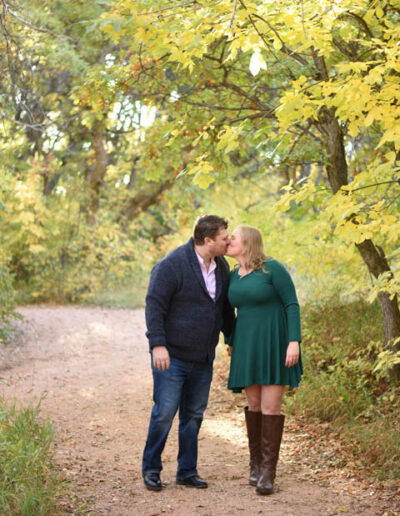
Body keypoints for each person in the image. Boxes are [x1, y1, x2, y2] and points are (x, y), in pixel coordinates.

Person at [142, 215, 235, 491]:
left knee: (193, 416)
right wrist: (157, 344)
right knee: (165, 412)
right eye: (223, 238)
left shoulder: (221, 267)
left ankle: (186, 471)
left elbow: (224, 310)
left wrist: (231, 337)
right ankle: (151, 469)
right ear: (207, 241)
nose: (228, 242)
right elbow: (154, 305)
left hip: (203, 357)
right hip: (172, 356)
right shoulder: (172, 265)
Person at [225, 225, 302, 495]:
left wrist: (294, 341)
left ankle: (268, 472)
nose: (228, 241)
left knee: (270, 407)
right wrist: (231, 341)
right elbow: (234, 312)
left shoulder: (272, 269)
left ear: (248, 242)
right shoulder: (233, 274)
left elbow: (291, 304)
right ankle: (255, 465)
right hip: (246, 345)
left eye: (232, 237)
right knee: (253, 405)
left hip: (274, 342)